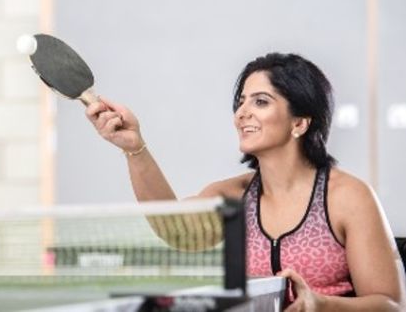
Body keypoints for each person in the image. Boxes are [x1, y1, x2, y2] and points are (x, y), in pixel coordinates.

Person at [85, 52, 406, 311]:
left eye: (261, 101)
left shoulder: (347, 197)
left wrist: (323, 305)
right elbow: (174, 229)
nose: (242, 112)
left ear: (300, 122)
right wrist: (134, 148)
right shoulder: (234, 196)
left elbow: (391, 305)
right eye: (241, 101)